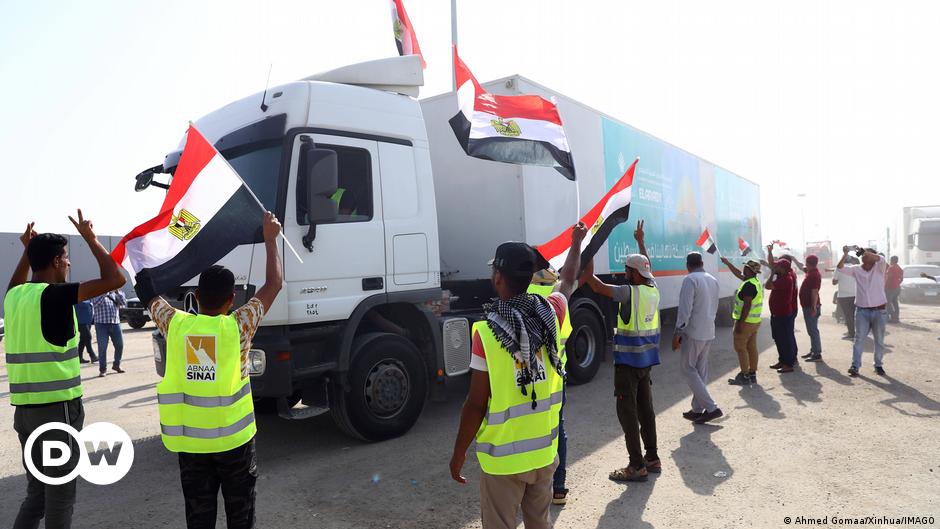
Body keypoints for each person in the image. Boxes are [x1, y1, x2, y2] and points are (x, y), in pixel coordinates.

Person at [142, 212, 283, 529]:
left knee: (199, 519)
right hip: (235, 444)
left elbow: (149, 295)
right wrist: (270, 239)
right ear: (232, 299)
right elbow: (274, 284)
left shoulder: (175, 324)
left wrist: (144, 260)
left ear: (197, 296)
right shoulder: (239, 326)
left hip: (191, 447)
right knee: (241, 516)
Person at [450, 223, 585, 529]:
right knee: (540, 523)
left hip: (504, 462)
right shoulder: (552, 313)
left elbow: (475, 404)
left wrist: (458, 454)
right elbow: (567, 280)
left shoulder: (486, 332)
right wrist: (577, 243)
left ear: (497, 277)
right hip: (544, 454)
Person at [4, 210, 126, 529]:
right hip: (56, 412)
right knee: (59, 497)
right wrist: (91, 238)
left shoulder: (15, 297)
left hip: (25, 415)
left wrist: (26, 251)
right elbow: (116, 280)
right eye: (67, 258)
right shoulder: (55, 296)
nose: (69, 263)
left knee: (37, 495)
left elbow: (15, 282)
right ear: (57, 261)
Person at [582, 220, 661, 482]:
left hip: (627, 364)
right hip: (646, 362)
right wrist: (640, 241)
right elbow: (646, 266)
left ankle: (636, 466)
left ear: (634, 274)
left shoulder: (629, 292)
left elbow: (594, 285)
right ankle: (652, 457)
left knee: (628, 414)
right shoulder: (652, 290)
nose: (624, 273)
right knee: (646, 410)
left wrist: (589, 250)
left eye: (627, 270)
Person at [526, 268, 573, 506]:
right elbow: (572, 276)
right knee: (558, 427)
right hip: (555, 377)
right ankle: (558, 488)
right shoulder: (557, 300)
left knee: (529, 428)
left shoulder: (522, 296)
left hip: (526, 377)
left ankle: (532, 485)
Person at [672, 252, 722, 424]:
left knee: (688, 369)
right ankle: (697, 409)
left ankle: (712, 408)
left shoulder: (690, 280)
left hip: (693, 332)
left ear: (688, 265)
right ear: (702, 263)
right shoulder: (712, 280)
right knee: (701, 371)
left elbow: (685, 310)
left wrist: (678, 332)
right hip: (708, 330)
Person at [837, 247, 888, 377]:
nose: (864, 256)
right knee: (859, 339)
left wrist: (864, 251)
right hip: (862, 311)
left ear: (872, 256)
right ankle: (855, 366)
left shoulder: (880, 267)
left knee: (879, 340)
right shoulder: (856, 269)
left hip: (879, 310)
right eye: (863, 254)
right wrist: (845, 254)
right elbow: (840, 267)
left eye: (867, 254)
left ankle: (878, 365)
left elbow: (879, 258)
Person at [721, 258, 764, 385]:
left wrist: (740, 323)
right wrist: (728, 263)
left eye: (745, 267)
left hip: (746, 322)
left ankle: (744, 375)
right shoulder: (753, 281)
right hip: (754, 321)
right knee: (751, 347)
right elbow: (738, 274)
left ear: (749, 270)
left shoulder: (748, 285)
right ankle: (752, 374)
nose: (743, 269)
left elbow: (747, 305)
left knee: (740, 348)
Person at [765, 245, 799, 373]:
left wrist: (772, 273)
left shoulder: (786, 279)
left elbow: (768, 286)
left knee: (784, 339)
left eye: (778, 266)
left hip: (783, 313)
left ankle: (788, 363)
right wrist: (769, 252)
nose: (775, 267)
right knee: (779, 338)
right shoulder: (784, 275)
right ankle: (783, 360)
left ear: (783, 268)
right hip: (778, 313)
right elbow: (771, 263)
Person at [91, 288, 126, 377]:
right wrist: (105, 292)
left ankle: (116, 365)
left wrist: (117, 291)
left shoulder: (116, 293)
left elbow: (123, 303)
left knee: (120, 345)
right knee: (102, 347)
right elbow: (95, 304)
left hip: (115, 322)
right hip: (101, 324)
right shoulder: (96, 292)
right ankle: (103, 369)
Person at [799, 255, 823, 362]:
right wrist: (794, 260)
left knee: (812, 330)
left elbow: (814, 292)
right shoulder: (811, 272)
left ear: (808, 263)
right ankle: (814, 350)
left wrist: (813, 307)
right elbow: (802, 267)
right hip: (809, 306)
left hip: (811, 306)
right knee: (812, 330)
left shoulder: (813, 275)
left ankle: (816, 353)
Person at [833, 256, 859, 339]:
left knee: (848, 315)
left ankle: (851, 333)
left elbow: (834, 282)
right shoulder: (855, 268)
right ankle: (857, 332)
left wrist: (840, 278)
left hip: (844, 296)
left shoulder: (839, 268)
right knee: (856, 315)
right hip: (855, 294)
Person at [74, 299, 97, 363]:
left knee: (83, 339)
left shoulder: (89, 298)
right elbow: (81, 303)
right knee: (88, 337)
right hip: (81, 321)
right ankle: (92, 355)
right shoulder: (78, 297)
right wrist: (90, 301)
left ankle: (79, 357)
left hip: (88, 321)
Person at [885, 256, 904, 323]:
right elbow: (901, 279)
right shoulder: (900, 268)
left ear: (891, 260)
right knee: (895, 303)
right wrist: (897, 283)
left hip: (890, 288)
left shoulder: (891, 268)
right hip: (897, 288)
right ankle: (896, 317)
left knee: (887, 303)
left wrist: (886, 286)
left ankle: (893, 317)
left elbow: (888, 278)